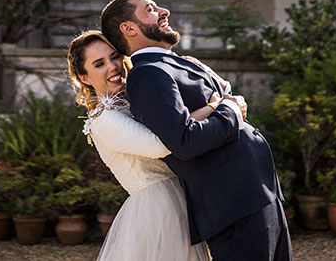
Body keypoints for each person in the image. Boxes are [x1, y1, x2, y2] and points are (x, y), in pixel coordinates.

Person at [100, 0, 291, 261]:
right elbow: (184, 142)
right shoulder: (147, 75)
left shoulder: (173, 63)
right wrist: (231, 109)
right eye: (150, 9)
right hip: (232, 203)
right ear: (129, 28)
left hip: (258, 192)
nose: (163, 11)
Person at [66, 30, 221, 261]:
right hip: (158, 208)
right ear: (84, 77)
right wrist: (214, 107)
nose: (113, 66)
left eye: (115, 56)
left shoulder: (135, 100)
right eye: (99, 64)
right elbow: (161, 143)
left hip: (181, 199)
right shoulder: (103, 121)